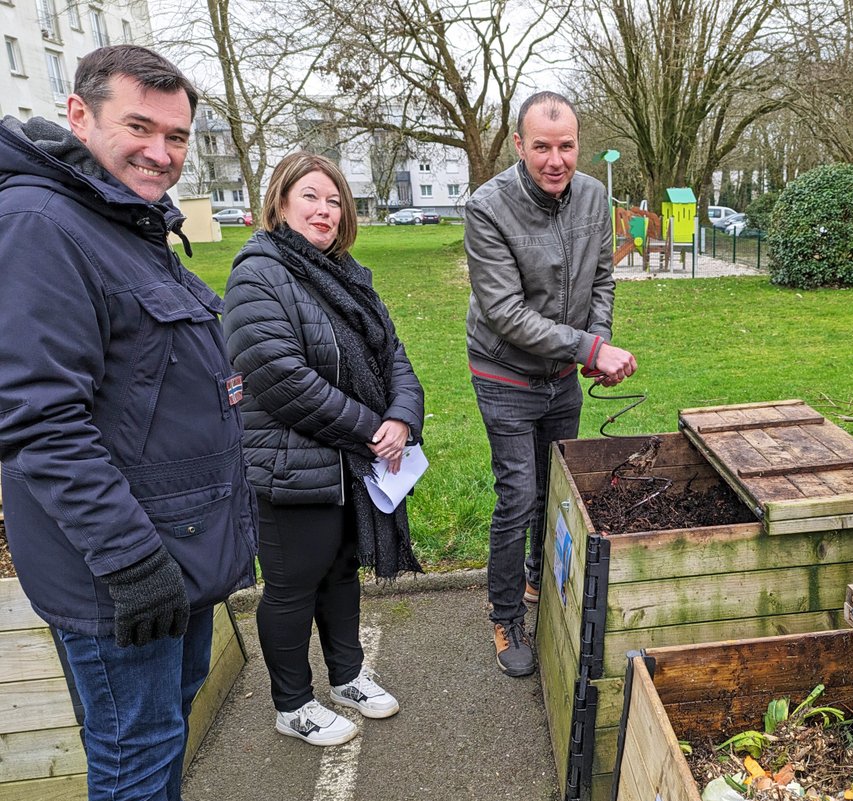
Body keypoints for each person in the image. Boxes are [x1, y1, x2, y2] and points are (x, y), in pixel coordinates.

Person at [0, 46, 261, 801]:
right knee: (129, 751)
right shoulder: (41, 227)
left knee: (162, 727)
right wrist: (130, 561)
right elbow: (39, 419)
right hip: (123, 570)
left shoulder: (120, 221)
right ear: (80, 117)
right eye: (138, 128)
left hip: (176, 550)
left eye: (177, 135)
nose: (161, 152)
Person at [223, 152, 424, 746]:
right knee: (292, 586)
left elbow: (394, 355)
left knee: (340, 572)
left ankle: (348, 676)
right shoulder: (257, 273)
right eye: (311, 196)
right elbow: (280, 377)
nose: (325, 210)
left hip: (347, 465)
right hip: (291, 463)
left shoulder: (346, 273)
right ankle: (292, 705)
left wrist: (401, 417)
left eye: (335, 200)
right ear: (280, 201)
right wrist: (370, 429)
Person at [465, 91, 637, 678]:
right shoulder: (487, 207)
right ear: (519, 145)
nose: (555, 159)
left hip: (561, 373)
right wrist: (590, 346)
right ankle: (505, 612)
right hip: (504, 371)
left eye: (566, 146)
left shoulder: (593, 195)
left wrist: (597, 343)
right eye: (542, 146)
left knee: (557, 486)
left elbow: (604, 278)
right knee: (518, 492)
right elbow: (505, 313)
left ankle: (540, 580)